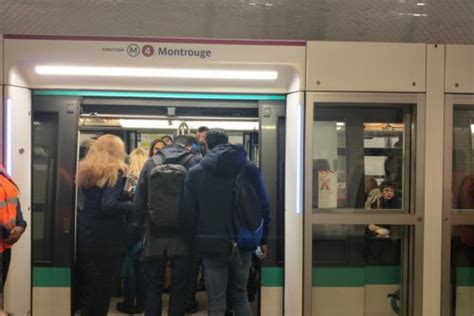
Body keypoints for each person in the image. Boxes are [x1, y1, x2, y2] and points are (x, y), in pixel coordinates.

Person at [181, 128, 270, 316]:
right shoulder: (249, 168)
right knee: (240, 294)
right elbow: (263, 205)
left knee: (216, 300)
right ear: (227, 142)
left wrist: (195, 241)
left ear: (207, 144)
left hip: (211, 244)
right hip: (243, 241)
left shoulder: (196, 172)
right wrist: (263, 239)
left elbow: (188, 213)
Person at [132, 135, 201, 316]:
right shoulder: (194, 162)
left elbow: (138, 202)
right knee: (179, 288)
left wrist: (138, 231)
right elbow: (200, 201)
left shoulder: (151, 163)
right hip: (184, 237)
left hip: (155, 234)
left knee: (153, 286)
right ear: (188, 147)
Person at [77, 134, 133, 316]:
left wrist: (124, 196)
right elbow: (108, 205)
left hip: (88, 233)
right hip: (108, 241)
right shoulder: (114, 172)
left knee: (90, 287)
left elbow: (97, 198)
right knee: (104, 290)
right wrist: (133, 205)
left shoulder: (86, 171)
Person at [116, 147, 148, 314]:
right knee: (141, 268)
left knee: (129, 268)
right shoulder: (150, 178)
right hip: (146, 230)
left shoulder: (128, 180)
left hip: (130, 228)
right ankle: (141, 303)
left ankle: (129, 301)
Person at [0, 165, 27, 287]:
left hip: (5, 248)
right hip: (5, 239)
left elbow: (16, 207)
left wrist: (21, 226)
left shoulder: (6, 178)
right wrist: (7, 234)